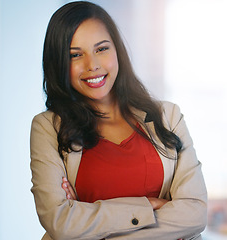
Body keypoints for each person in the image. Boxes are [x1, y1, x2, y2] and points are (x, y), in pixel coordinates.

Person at [30, 1, 207, 239]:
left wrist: (89, 225)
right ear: (59, 63)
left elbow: (194, 214)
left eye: (101, 49)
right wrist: (148, 208)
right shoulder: (47, 128)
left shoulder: (168, 117)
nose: (92, 65)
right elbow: (60, 222)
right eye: (75, 55)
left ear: (117, 50)